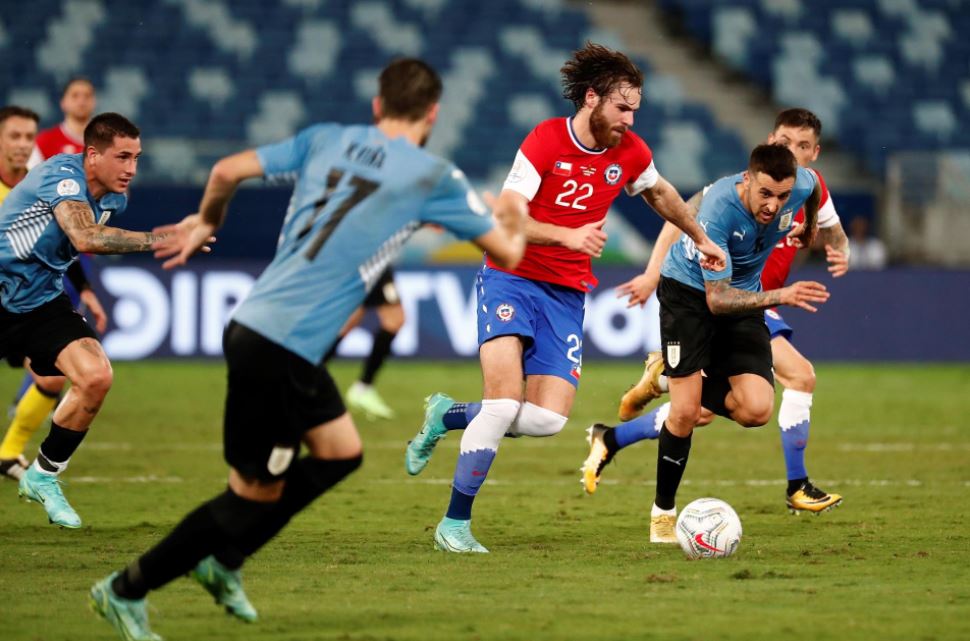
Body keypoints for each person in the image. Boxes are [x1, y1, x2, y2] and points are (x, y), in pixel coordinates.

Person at [89, 58, 526, 641]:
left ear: (377, 107)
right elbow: (509, 251)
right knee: (250, 494)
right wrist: (515, 212)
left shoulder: (328, 139)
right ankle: (126, 588)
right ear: (433, 114)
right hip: (280, 348)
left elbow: (225, 169)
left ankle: (227, 560)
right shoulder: (433, 175)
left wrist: (204, 222)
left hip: (264, 326)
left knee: (341, 452)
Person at [403, 42, 726, 554]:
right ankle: (454, 524)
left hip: (566, 293)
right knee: (504, 401)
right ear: (592, 98)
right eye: (622, 108)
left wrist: (702, 238)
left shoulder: (630, 152)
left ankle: (447, 414)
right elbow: (508, 215)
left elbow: (661, 193)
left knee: (547, 420)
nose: (629, 119)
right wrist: (566, 235)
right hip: (511, 276)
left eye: (635, 110)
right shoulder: (546, 140)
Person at [583, 109, 849, 516]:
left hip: (753, 295)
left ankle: (614, 435)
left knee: (701, 412)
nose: (789, 151)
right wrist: (653, 274)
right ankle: (797, 485)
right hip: (729, 294)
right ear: (768, 142)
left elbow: (828, 220)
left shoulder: (801, 185)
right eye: (782, 142)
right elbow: (679, 222)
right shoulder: (726, 197)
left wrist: (824, 236)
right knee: (800, 375)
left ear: (814, 153)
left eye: (800, 146)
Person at [0, 112, 197, 527]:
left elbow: (58, 247)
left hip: (39, 302)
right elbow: (84, 237)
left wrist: (84, 288)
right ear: (92, 155)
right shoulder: (63, 177)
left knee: (95, 376)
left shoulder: (112, 198)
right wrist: (163, 238)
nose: (131, 169)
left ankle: (44, 474)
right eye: (123, 157)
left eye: (137, 158)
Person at [0, 105, 108, 481]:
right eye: (14, 136)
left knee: (52, 379)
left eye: (29, 137)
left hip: (30, 304)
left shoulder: (42, 184)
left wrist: (85, 290)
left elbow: (62, 246)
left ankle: (9, 452)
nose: (23, 145)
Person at [323, 266, 404, 420]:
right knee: (395, 318)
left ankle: (305, 377)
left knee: (349, 320)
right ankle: (363, 387)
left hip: (366, 262)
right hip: (372, 263)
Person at [28, 77, 96, 168]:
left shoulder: (106, 142)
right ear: (63, 102)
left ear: (94, 102)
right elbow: (30, 178)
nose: (81, 101)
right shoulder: (44, 142)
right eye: (75, 96)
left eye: (87, 96)